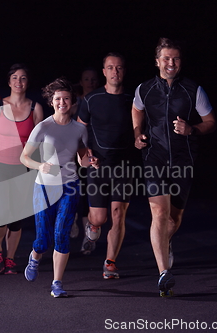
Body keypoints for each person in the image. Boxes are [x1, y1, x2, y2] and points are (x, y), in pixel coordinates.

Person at [132, 38, 217, 296]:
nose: (171, 63)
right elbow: (137, 110)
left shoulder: (194, 90)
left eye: (176, 58)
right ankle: (163, 273)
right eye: (166, 58)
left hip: (183, 161)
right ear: (157, 61)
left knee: (173, 218)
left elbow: (210, 121)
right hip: (154, 159)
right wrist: (137, 133)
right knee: (158, 214)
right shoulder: (144, 89)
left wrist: (191, 129)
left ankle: (165, 243)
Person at [21, 78, 97, 297]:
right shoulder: (43, 127)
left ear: (73, 102)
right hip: (44, 187)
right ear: (51, 102)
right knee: (43, 238)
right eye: (57, 99)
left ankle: (57, 283)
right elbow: (24, 157)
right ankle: (35, 257)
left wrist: (91, 161)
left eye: (66, 98)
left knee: (61, 234)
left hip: (70, 186)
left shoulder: (79, 129)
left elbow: (83, 160)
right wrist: (40, 165)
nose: (62, 102)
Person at [0, 64, 43, 274]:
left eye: (23, 78)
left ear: (27, 82)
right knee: (1, 212)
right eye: (14, 78)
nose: (18, 82)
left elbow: (40, 140)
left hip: (23, 168)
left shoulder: (35, 108)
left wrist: (42, 165)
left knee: (15, 218)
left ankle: (11, 257)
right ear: (9, 82)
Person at [77, 53, 137, 279]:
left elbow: (140, 127)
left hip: (124, 166)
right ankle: (92, 226)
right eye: (111, 67)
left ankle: (110, 262)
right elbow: (79, 131)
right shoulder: (91, 99)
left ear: (124, 71)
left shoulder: (133, 99)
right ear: (104, 71)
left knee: (118, 214)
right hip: (98, 167)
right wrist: (85, 152)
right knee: (100, 218)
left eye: (119, 67)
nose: (115, 71)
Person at [69, 67, 100, 249]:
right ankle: (73, 218)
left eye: (93, 79)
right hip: (78, 150)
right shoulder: (76, 102)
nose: (91, 82)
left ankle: (88, 237)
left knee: (92, 191)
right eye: (86, 79)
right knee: (77, 189)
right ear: (81, 82)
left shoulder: (101, 99)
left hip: (97, 150)